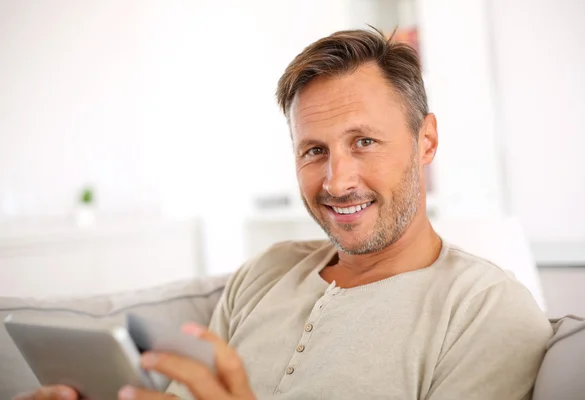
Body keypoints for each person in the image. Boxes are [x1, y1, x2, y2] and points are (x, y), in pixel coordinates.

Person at [17, 27, 552, 400]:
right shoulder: (266, 273)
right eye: (314, 150)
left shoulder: (488, 310)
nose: (337, 181)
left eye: (363, 141)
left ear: (425, 141)